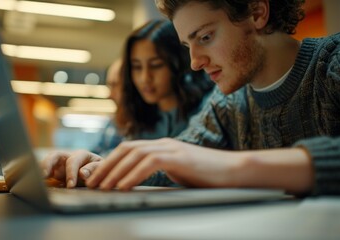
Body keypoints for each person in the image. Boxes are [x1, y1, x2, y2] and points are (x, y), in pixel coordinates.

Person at [77, 0, 339, 195]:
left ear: (257, 12)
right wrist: (98, 166)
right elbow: (173, 163)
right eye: (187, 46)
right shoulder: (228, 103)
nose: (194, 62)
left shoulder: (332, 63)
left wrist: (235, 167)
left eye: (205, 37)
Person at [42, 19, 214, 188]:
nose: (145, 78)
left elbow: (190, 165)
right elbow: (117, 155)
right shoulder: (138, 117)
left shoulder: (209, 109)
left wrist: (110, 168)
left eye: (155, 65)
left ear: (179, 65)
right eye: (137, 67)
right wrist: (80, 166)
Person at [90, 59, 124, 157]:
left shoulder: (152, 126)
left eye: (115, 85)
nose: (109, 95)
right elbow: (96, 152)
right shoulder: (113, 122)